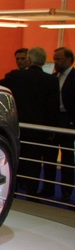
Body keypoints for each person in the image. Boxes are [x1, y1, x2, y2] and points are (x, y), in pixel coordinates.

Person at [0, 47, 59, 195]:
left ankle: (11, 192)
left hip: (17, 126)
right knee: (34, 163)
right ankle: (32, 193)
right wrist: (51, 130)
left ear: (29, 59)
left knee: (14, 160)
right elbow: (53, 108)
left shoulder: (14, 76)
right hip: (38, 130)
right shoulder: (51, 80)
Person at [40, 46, 75, 200]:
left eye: (58, 59)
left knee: (67, 158)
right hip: (53, 120)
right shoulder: (53, 78)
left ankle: (66, 192)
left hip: (68, 121)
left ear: (69, 59)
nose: (55, 62)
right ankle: (48, 188)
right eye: (54, 59)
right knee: (49, 156)